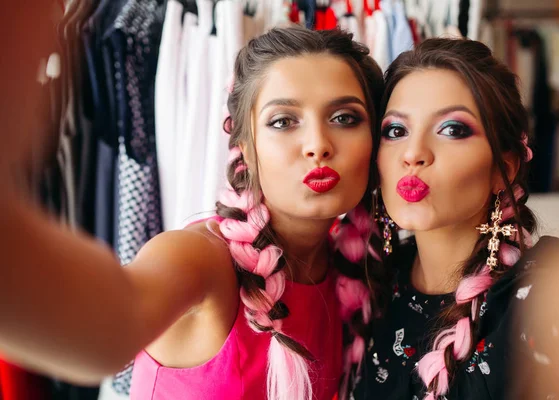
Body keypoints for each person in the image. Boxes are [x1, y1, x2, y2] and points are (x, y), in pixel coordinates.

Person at [0, 26, 388, 400]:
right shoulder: (199, 259)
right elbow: (101, 330)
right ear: (247, 150)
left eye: (344, 119)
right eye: (283, 121)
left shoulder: (354, 270)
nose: (317, 145)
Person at [350, 38, 559, 400]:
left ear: (506, 168)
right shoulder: (372, 285)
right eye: (395, 131)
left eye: (452, 130)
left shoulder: (551, 293)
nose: (414, 153)